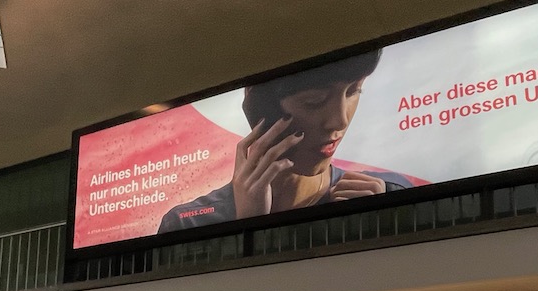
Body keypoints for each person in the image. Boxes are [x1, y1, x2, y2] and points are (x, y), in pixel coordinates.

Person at [157, 50, 415, 232]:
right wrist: (247, 227)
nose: (340, 120)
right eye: (313, 101)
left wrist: (384, 224)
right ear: (264, 112)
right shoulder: (187, 223)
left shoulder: (389, 192)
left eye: (354, 91)